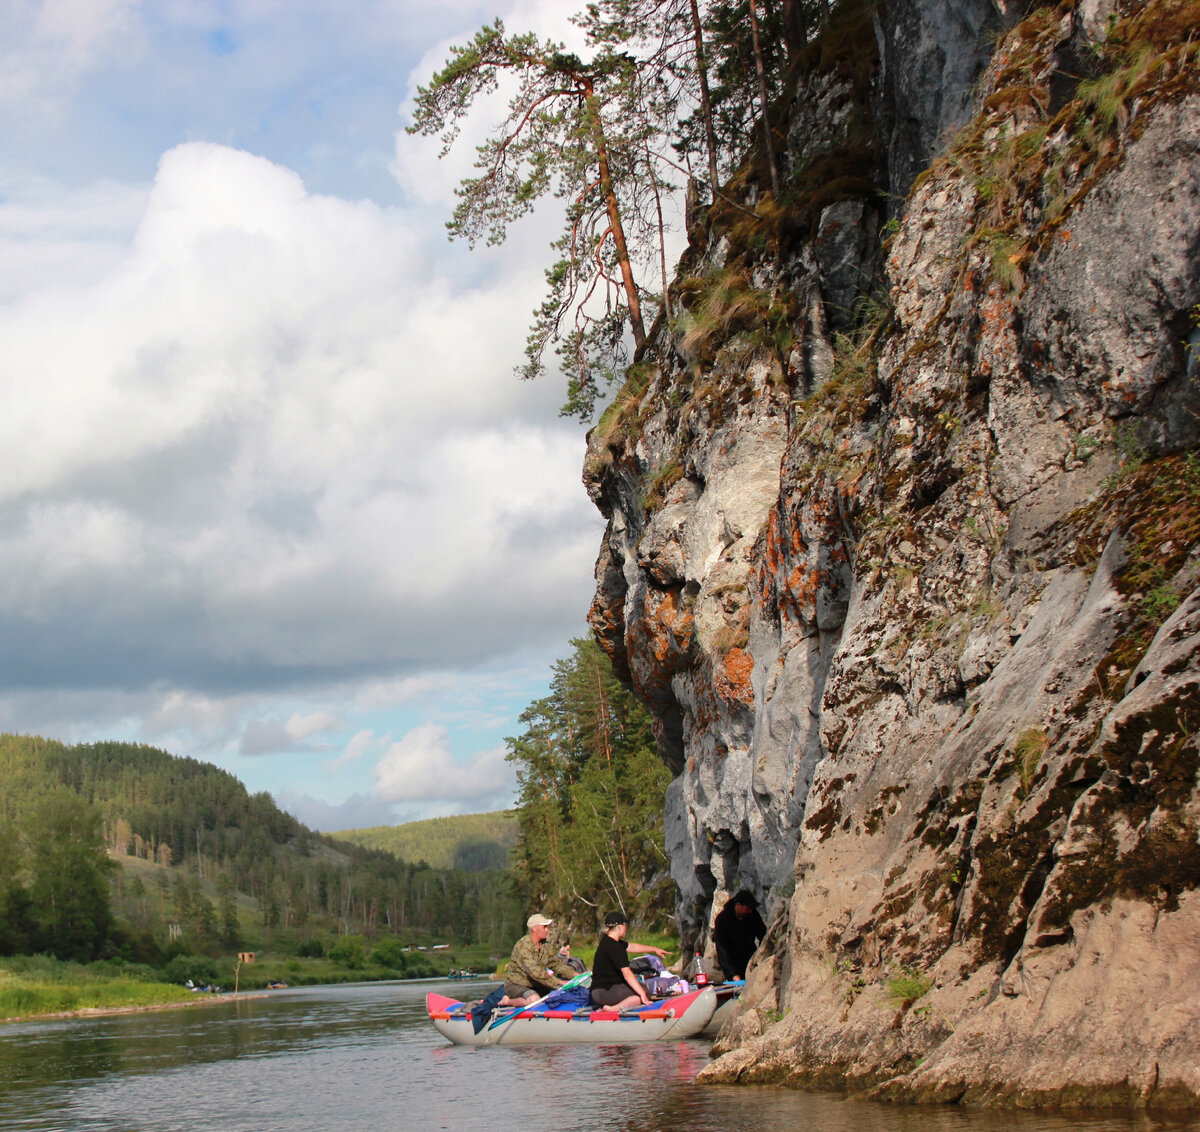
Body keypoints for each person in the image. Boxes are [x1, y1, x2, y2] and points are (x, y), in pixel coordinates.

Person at [589, 911, 670, 1010]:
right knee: (644, 990)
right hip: (605, 992)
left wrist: (655, 949)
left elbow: (633, 947)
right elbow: (627, 974)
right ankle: (613, 1009)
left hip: (598, 991)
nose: (626, 928)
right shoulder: (615, 947)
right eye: (625, 925)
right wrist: (643, 995)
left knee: (639, 991)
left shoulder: (607, 941)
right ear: (619, 926)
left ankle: (613, 1006)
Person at [501, 913, 579, 1005]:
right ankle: (507, 1001)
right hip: (517, 985)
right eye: (544, 927)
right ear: (534, 929)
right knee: (534, 999)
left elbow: (556, 965)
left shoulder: (545, 946)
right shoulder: (523, 946)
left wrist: (575, 975)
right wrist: (561, 982)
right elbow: (536, 972)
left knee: (564, 994)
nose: (547, 930)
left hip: (536, 984)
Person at [712, 889, 766, 980]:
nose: (750, 911)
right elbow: (722, 950)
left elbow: (763, 935)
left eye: (751, 909)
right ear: (738, 905)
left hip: (750, 959)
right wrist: (733, 974)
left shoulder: (753, 915)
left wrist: (762, 956)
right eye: (748, 908)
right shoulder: (722, 920)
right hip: (732, 962)